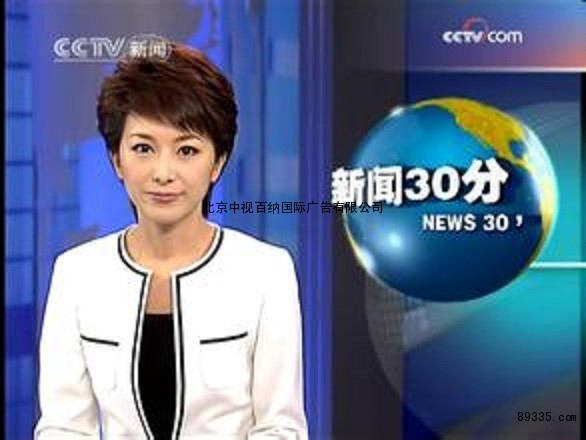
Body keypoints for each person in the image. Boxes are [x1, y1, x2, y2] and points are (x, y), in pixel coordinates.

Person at [34, 40, 308, 439]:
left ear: (217, 163)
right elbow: (63, 427)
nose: (163, 173)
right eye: (143, 148)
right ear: (117, 160)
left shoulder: (265, 272)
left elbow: (281, 428)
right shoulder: (77, 274)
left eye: (187, 150)